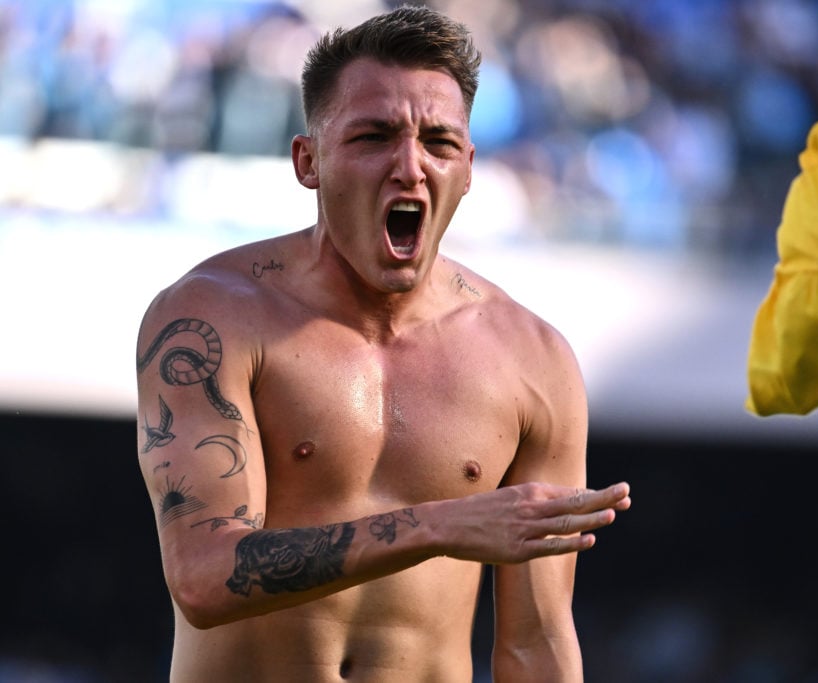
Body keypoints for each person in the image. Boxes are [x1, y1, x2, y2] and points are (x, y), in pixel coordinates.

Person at [134, 6, 631, 682]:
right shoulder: (209, 319)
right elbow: (202, 576)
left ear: (469, 167)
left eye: (440, 142)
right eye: (374, 136)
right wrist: (437, 524)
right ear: (308, 162)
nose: (411, 166)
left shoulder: (533, 359)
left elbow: (535, 644)